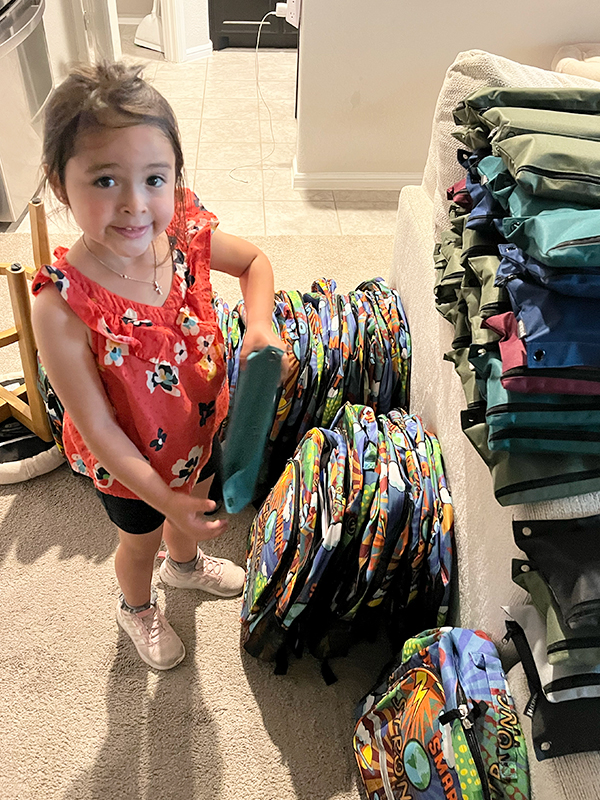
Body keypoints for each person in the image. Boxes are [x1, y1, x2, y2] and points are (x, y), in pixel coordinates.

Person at [31, 61, 286, 671]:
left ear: (176, 178)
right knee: (139, 542)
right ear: (60, 185)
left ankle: (187, 566)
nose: (134, 205)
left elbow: (255, 263)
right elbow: (97, 427)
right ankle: (137, 606)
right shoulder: (62, 304)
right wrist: (162, 500)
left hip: (199, 428)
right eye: (104, 180)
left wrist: (259, 324)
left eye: (154, 178)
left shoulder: (187, 234)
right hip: (129, 467)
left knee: (194, 500)